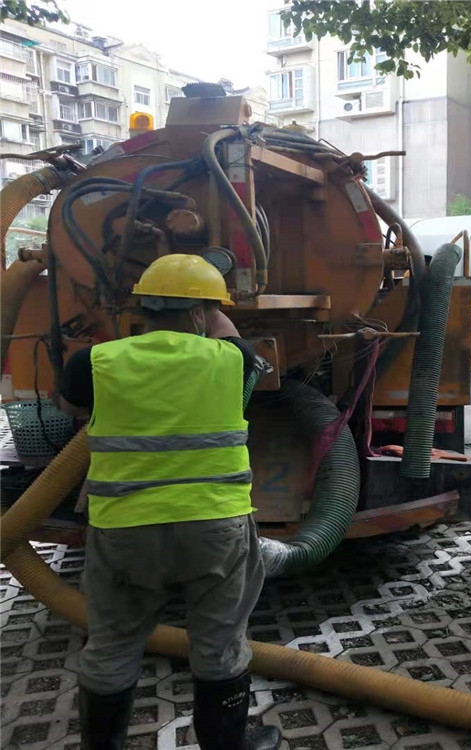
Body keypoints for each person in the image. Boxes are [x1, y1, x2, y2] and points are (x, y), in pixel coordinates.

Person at [59, 254, 280, 750]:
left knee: (113, 642)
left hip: (125, 529)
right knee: (219, 643)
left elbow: (69, 405)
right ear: (200, 313)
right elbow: (230, 335)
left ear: (143, 306)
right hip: (214, 528)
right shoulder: (233, 359)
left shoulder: (95, 362)